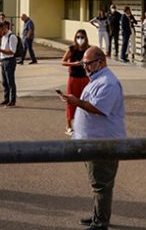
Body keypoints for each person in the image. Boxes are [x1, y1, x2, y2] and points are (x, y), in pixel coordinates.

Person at [59, 46, 126, 230]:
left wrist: (76, 102)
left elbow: (98, 108)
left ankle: (101, 222)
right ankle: (98, 216)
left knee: (101, 184)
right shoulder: (97, 79)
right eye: (83, 63)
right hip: (92, 141)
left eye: (87, 63)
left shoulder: (108, 83)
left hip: (104, 143)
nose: (85, 67)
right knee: (97, 182)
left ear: (101, 61)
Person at [61, 29, 90, 135]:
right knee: (71, 101)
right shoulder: (72, 49)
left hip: (85, 78)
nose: (80, 39)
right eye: (78, 37)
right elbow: (63, 62)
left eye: (82, 37)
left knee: (84, 101)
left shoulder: (89, 49)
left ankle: (83, 124)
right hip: (73, 78)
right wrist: (74, 64)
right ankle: (69, 125)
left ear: (86, 38)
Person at [0, 20, 18, 107]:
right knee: (4, 82)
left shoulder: (12, 37)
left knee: (10, 82)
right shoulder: (4, 37)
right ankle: (6, 99)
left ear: (5, 28)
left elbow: (12, 52)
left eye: (0, 31)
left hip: (10, 61)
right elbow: (4, 49)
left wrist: (0, 50)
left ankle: (12, 101)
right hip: (4, 60)